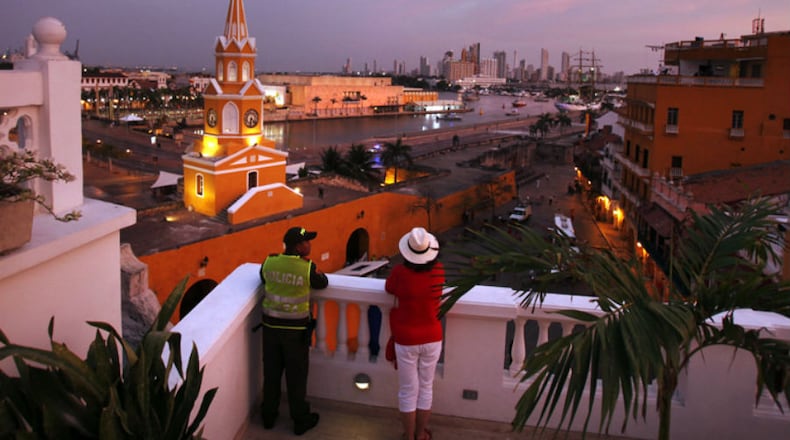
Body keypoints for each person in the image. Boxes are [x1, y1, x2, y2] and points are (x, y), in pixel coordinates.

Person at [259, 226, 328, 435]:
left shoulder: (269, 262)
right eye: (307, 241)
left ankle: (268, 416)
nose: (310, 244)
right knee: (296, 377)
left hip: (270, 329)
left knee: (271, 375)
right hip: (295, 332)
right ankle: (300, 419)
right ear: (298, 247)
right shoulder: (306, 268)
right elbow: (322, 283)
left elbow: (264, 279)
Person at [386, 227, 444, 440]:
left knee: (408, 390)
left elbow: (389, 288)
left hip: (406, 338)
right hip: (432, 336)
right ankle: (421, 434)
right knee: (426, 387)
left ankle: (409, 436)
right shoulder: (438, 270)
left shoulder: (399, 273)